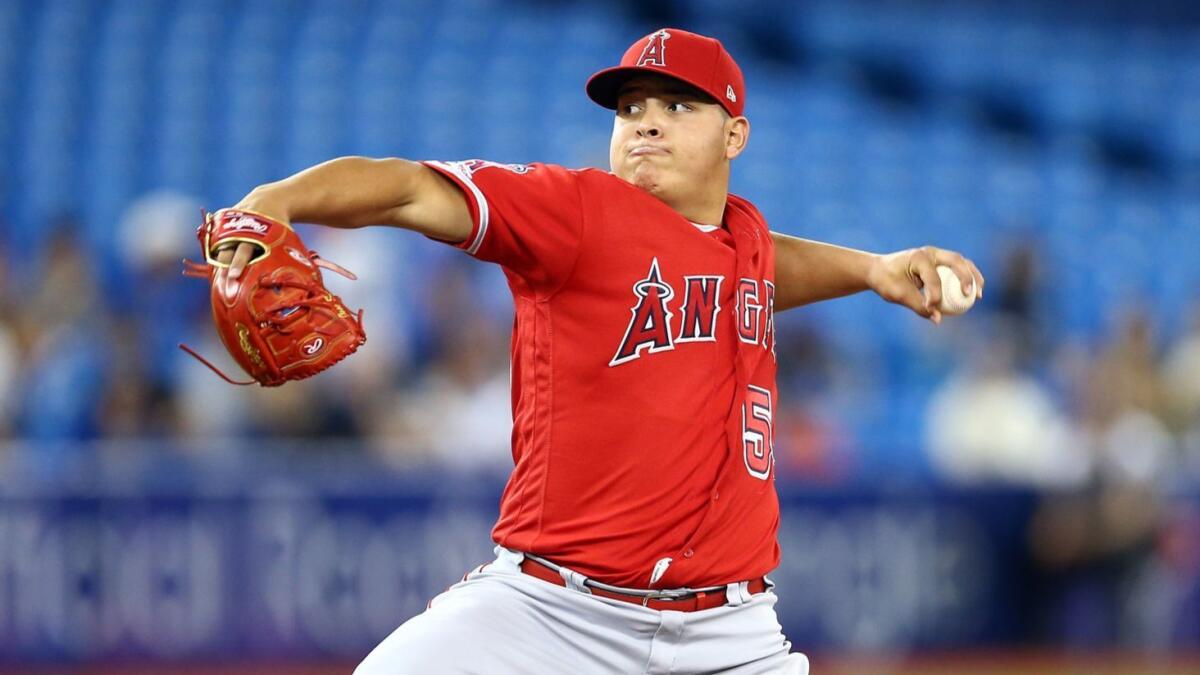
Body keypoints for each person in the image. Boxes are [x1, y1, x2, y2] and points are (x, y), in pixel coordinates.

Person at [211, 28, 983, 675]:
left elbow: (762, 266)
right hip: (549, 613)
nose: (645, 122)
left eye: (678, 105)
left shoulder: (741, 239)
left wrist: (874, 269)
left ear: (735, 134)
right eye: (631, 108)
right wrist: (274, 201)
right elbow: (411, 188)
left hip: (731, 636)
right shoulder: (575, 211)